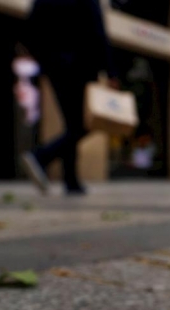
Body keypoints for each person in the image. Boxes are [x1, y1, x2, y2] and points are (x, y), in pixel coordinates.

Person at [19, 0, 118, 196]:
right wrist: (111, 72)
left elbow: (30, 28)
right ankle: (41, 157)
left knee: (71, 124)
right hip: (81, 67)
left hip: (55, 67)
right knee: (82, 126)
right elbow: (98, 30)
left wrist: (45, 60)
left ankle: (71, 180)